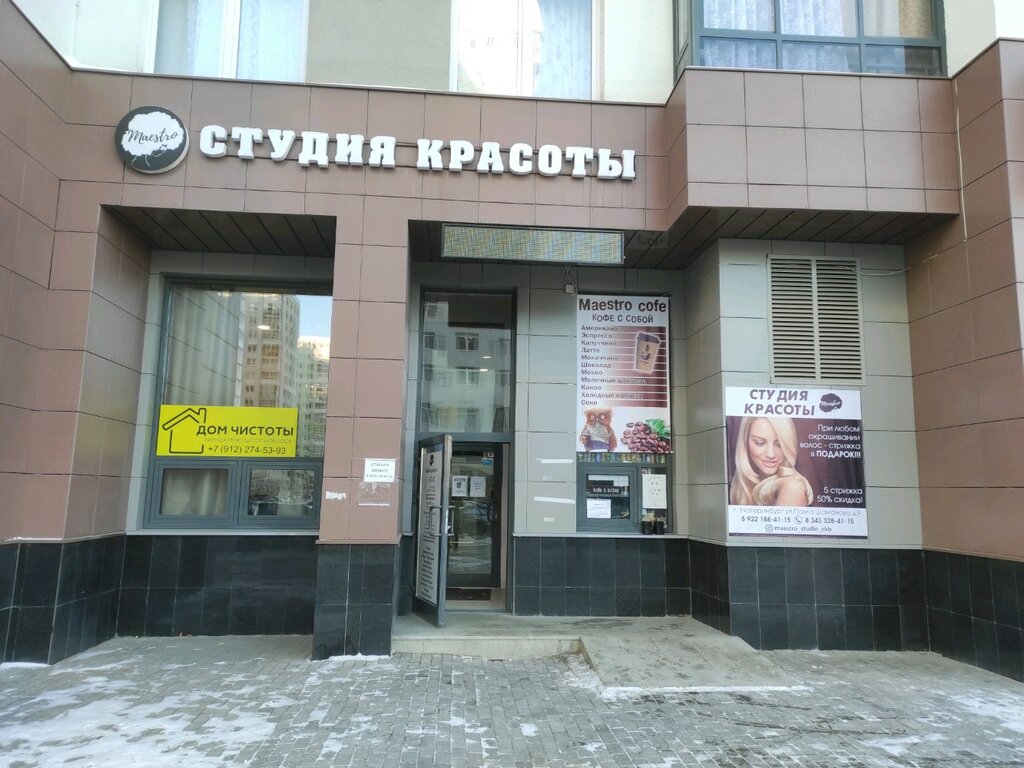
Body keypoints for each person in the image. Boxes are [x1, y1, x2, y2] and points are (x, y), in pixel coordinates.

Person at [729, 416, 813, 507]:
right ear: (745, 442)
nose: (771, 454)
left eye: (779, 444)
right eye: (759, 443)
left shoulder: (792, 487)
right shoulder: (742, 483)